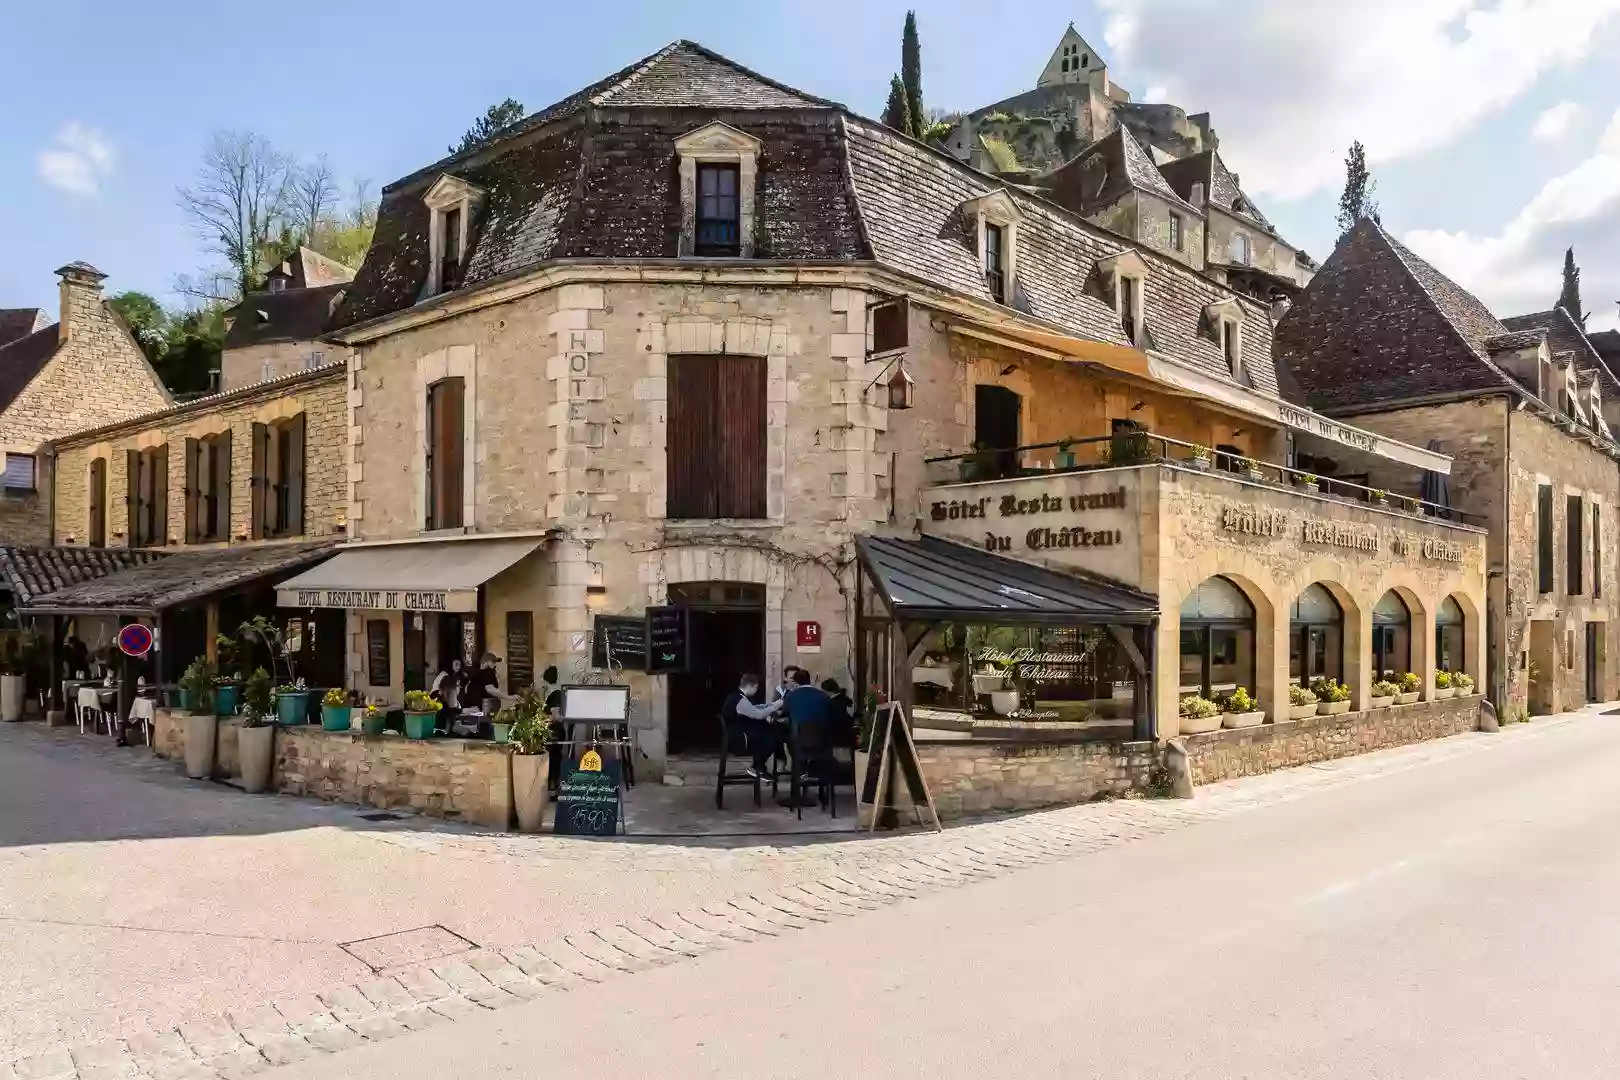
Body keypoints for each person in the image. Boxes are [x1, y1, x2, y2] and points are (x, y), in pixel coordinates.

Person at [722, 673, 783, 779]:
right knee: (774, 737)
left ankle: (760, 766)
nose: (756, 690)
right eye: (756, 687)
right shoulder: (739, 700)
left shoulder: (736, 696)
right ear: (750, 686)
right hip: (739, 740)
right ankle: (757, 767)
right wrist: (774, 707)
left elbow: (754, 708)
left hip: (737, 735)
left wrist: (770, 705)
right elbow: (758, 714)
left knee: (769, 730)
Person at [821, 678, 856, 748]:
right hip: (848, 737)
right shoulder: (847, 700)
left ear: (828, 691)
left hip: (836, 740)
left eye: (823, 691)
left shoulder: (830, 704)